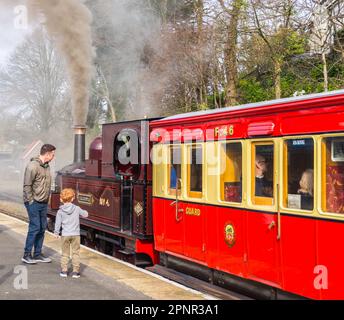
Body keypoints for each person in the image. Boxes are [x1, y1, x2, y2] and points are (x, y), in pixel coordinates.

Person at [22, 144, 56, 264]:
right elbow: (27, 186)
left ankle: (37, 253)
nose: (53, 156)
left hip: (43, 202)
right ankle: (26, 255)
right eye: (52, 154)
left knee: (42, 227)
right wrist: (31, 201)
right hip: (34, 202)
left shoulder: (47, 166)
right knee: (35, 227)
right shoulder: (32, 166)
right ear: (47, 154)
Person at [54, 188, 88, 278]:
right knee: (75, 253)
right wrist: (86, 212)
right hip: (76, 235)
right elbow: (85, 214)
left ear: (61, 199)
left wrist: (56, 233)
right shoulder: (76, 208)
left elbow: (58, 223)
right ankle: (75, 272)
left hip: (65, 234)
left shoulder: (60, 211)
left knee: (65, 253)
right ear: (73, 198)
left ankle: (64, 271)